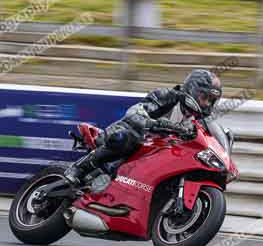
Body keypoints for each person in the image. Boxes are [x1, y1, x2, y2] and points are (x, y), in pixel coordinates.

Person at [62, 69, 223, 186]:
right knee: (126, 138)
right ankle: (79, 169)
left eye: (211, 100)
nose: (207, 104)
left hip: (155, 152)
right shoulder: (168, 97)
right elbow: (134, 112)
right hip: (130, 137)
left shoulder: (200, 120)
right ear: (192, 89)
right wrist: (155, 124)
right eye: (204, 97)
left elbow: (207, 140)